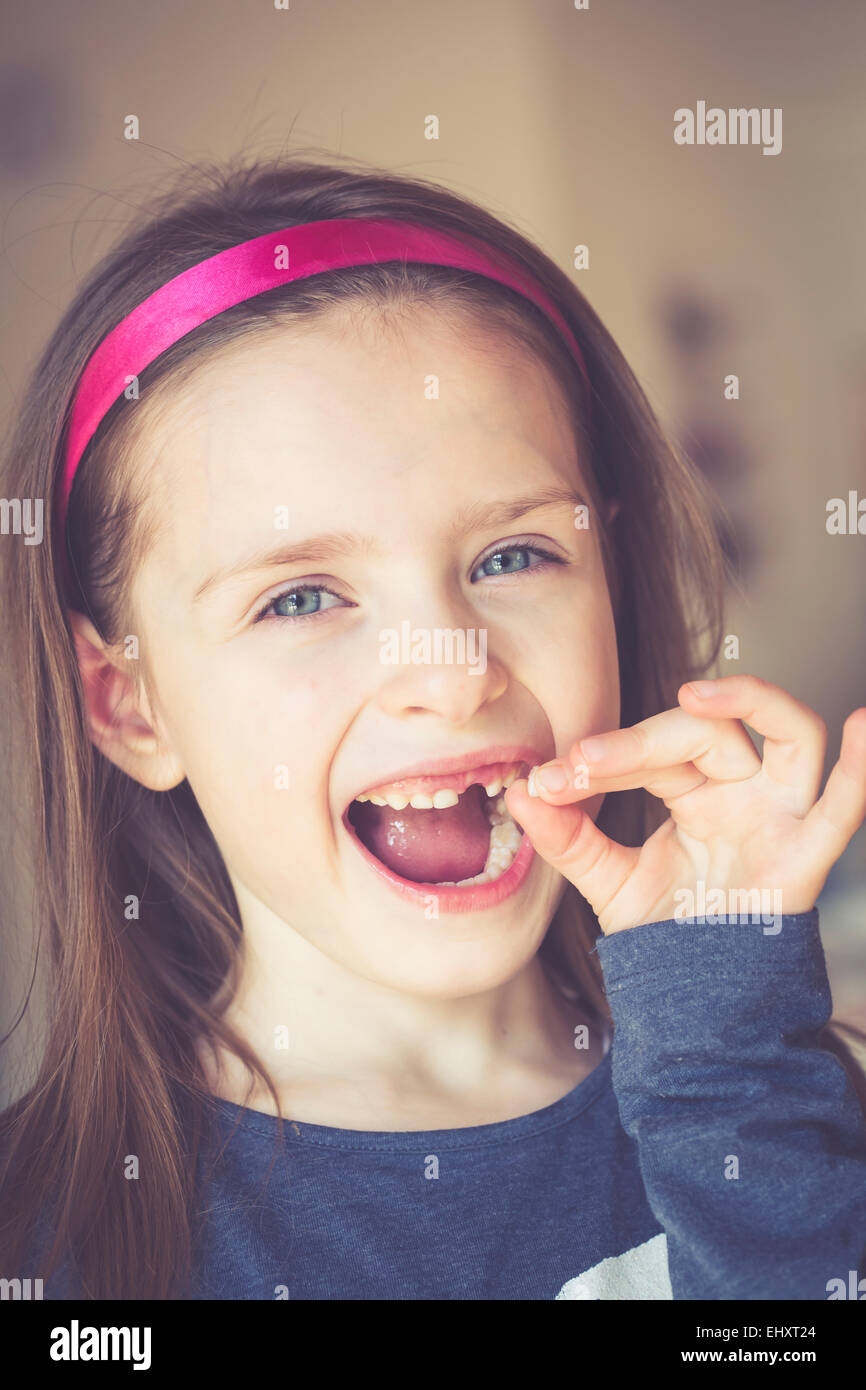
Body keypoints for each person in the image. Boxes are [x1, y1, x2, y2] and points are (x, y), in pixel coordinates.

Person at [1, 153, 865, 1301]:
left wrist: (728, 1039)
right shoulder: (43, 1244)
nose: (451, 675)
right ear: (126, 700)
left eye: (511, 555)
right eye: (300, 595)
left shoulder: (776, 1109)